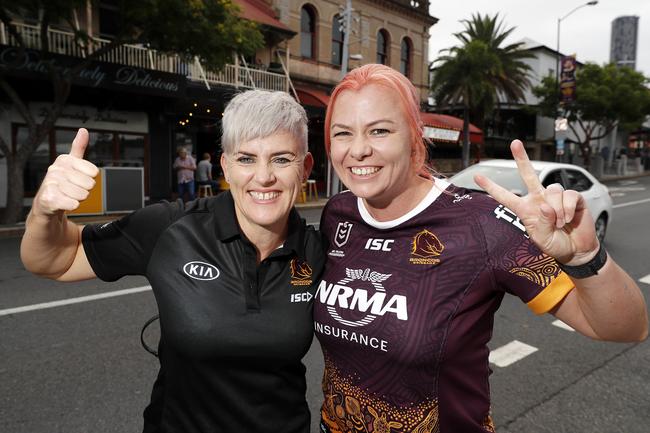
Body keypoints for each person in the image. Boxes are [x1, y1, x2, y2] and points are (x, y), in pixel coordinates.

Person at [314, 64, 648, 433]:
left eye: (379, 130)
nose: (359, 150)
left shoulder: (482, 224)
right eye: (343, 133)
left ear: (413, 136)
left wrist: (585, 257)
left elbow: (627, 328)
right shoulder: (337, 214)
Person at [20, 90, 324, 433]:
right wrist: (45, 213)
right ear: (225, 165)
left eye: (282, 159)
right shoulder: (171, 227)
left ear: (305, 167)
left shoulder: (319, 248)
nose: (264, 176)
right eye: (246, 159)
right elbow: (54, 261)